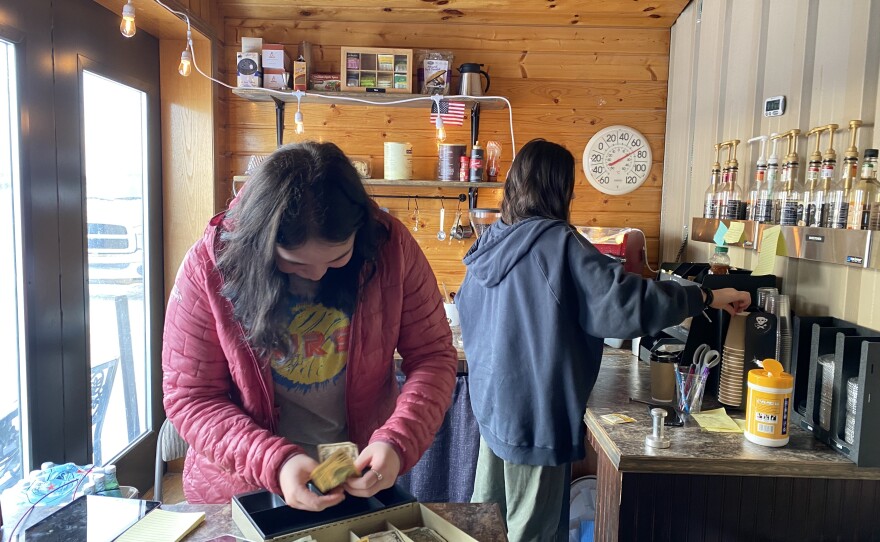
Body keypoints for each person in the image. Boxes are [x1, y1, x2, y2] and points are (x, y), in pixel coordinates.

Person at [456, 139, 750, 541]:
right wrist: (704, 295)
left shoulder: (492, 240)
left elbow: (470, 312)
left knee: (483, 526)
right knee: (533, 533)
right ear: (562, 189)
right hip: (535, 415)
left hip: (493, 407)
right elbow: (628, 303)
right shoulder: (557, 243)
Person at [162, 141, 457, 510]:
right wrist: (275, 461)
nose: (317, 273)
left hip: (355, 477)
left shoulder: (390, 248)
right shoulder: (210, 265)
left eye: (338, 257)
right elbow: (191, 397)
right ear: (262, 243)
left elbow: (433, 357)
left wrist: (398, 441)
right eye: (295, 263)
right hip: (243, 490)